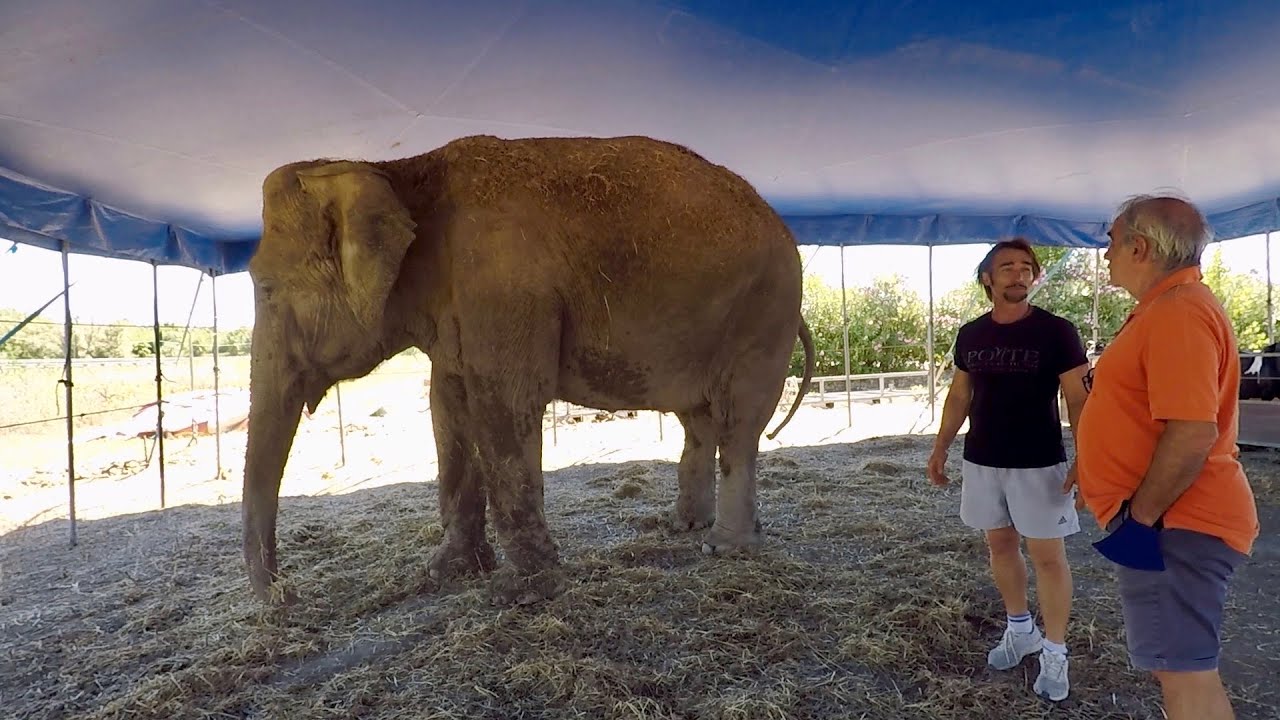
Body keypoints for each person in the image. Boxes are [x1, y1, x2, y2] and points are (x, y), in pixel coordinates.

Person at [1074, 194, 1259, 720]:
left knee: (1187, 677)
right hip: (1173, 524)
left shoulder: (1177, 312)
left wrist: (1142, 520)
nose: (1104, 252)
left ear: (1140, 246)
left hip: (1177, 525)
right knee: (1178, 668)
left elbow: (1192, 432)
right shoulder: (1168, 308)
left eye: (1110, 241)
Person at [928, 237, 1091, 703]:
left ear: (1034, 277)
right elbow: (960, 395)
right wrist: (940, 447)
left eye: (1026, 267)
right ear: (987, 278)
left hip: (1039, 462)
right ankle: (1020, 629)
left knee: (1048, 556)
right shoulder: (971, 334)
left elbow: (1079, 398)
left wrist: (1086, 457)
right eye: (1007, 267)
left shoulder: (1058, 332)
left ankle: (1055, 652)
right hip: (982, 459)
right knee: (998, 544)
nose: (1018, 274)